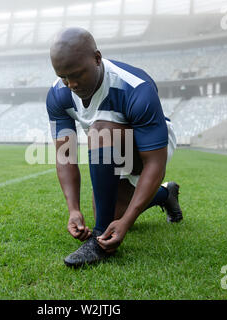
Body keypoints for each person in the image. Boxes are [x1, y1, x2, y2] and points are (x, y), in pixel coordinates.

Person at [46, 27, 183, 267]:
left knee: (101, 131)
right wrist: (73, 210)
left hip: (149, 146)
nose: (72, 83)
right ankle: (166, 194)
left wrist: (128, 222)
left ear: (97, 58)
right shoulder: (58, 94)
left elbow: (154, 163)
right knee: (108, 212)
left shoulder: (136, 88)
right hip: (110, 149)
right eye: (63, 77)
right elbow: (65, 155)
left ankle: (98, 243)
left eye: (78, 74)